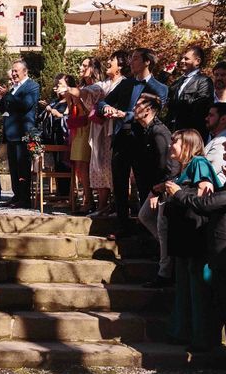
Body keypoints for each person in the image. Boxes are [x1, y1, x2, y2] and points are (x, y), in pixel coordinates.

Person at [166, 127, 226, 374]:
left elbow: (208, 201)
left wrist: (179, 194)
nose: (223, 147)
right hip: (197, 241)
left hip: (213, 243)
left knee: (219, 303)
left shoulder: (202, 165)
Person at [97, 48, 168, 236]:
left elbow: (155, 112)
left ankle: (146, 229)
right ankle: (123, 225)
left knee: (144, 184)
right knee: (119, 185)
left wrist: (124, 114)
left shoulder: (160, 88)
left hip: (143, 141)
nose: (131, 62)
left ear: (147, 62)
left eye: (135, 58)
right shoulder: (125, 83)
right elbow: (103, 102)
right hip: (121, 139)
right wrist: (106, 110)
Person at [164, 129, 221, 352]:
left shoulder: (199, 164)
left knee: (197, 286)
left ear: (187, 144)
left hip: (195, 235)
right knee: (185, 285)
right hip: (182, 236)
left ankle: (201, 338)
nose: (171, 146)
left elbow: (204, 199)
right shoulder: (184, 167)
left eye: (175, 142)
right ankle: (182, 332)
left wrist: (177, 192)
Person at [133, 94, 174, 289]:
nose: (135, 107)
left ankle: (166, 270)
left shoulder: (159, 132)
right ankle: (167, 256)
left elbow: (168, 164)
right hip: (154, 187)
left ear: (148, 109)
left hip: (164, 188)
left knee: (154, 222)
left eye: (139, 105)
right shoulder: (146, 130)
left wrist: (157, 190)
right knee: (150, 220)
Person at [0, 60, 40, 209]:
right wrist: (0, 98)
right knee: (13, 168)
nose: (13, 73)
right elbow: (5, 110)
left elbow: (25, 105)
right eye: (12, 71)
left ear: (25, 71)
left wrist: (7, 94)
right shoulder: (14, 88)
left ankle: (25, 199)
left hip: (23, 133)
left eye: (16, 71)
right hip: (11, 134)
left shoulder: (32, 86)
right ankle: (16, 196)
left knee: (23, 167)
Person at [62, 57, 105, 214]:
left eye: (85, 65)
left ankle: (90, 200)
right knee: (78, 167)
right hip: (78, 128)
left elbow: (89, 109)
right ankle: (88, 198)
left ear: (93, 69)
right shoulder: (82, 86)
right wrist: (69, 98)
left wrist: (71, 93)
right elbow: (73, 107)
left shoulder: (97, 88)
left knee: (84, 165)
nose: (81, 67)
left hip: (88, 128)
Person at [89, 51, 129, 215]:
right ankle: (102, 206)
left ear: (120, 65)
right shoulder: (104, 84)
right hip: (102, 131)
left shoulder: (126, 84)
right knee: (101, 165)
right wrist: (71, 89)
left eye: (111, 60)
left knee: (116, 169)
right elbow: (89, 90)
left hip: (117, 129)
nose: (107, 62)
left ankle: (118, 206)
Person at [166, 46, 214, 139]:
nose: (182, 61)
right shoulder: (178, 82)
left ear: (197, 61)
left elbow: (201, 107)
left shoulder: (204, 81)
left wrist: (175, 103)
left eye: (186, 59)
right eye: (182, 58)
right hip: (172, 132)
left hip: (189, 136)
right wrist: (164, 75)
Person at [204, 102, 226, 184]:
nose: (206, 118)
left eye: (211, 115)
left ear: (223, 119)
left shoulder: (223, 141)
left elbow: (206, 172)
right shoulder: (221, 138)